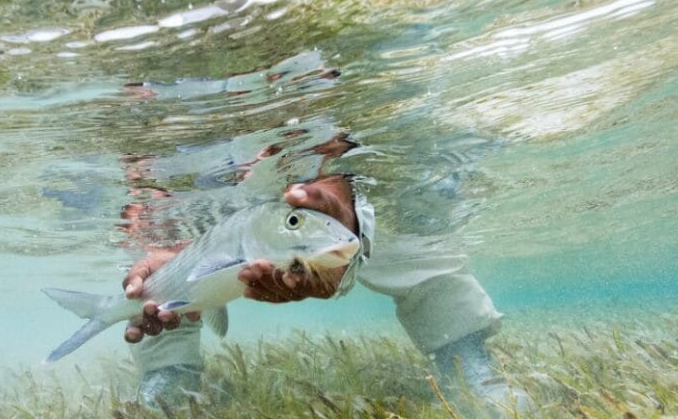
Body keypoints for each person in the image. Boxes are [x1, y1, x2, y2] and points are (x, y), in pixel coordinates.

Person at [121, 172, 504, 406]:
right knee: (154, 275)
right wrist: (174, 255)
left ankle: (465, 357)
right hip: (204, 183)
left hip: (333, 188)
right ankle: (168, 371)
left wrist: (341, 197)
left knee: (414, 233)